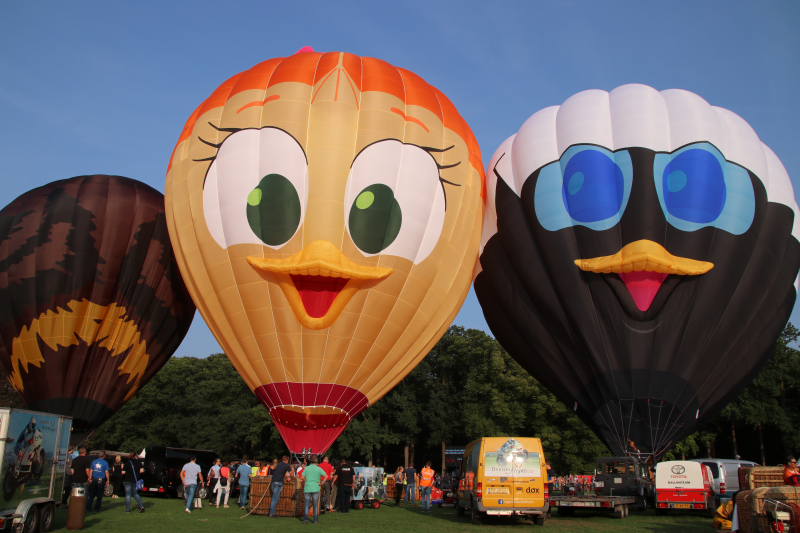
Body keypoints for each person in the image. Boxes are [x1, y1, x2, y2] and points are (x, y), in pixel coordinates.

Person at [300, 455, 328, 524]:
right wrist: (321, 483)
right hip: (315, 488)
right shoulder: (319, 469)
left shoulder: (306, 468)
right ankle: (315, 520)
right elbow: (326, 476)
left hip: (307, 488)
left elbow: (302, 477)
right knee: (315, 505)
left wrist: (306, 480)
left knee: (306, 504)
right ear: (317, 461)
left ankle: (305, 519)